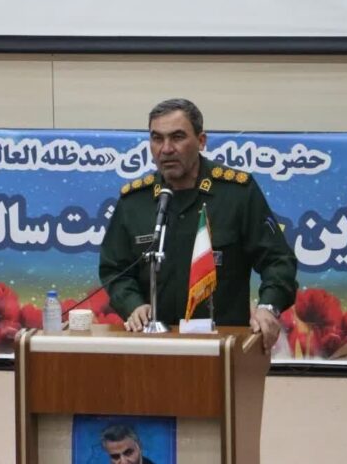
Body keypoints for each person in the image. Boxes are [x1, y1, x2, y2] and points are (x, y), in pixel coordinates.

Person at [98, 98, 298, 350]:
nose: (166, 149)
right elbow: (114, 269)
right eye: (157, 138)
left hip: (223, 345)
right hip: (151, 345)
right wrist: (133, 304)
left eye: (177, 137)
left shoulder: (236, 193)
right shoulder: (135, 201)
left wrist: (268, 307)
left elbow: (278, 260)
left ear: (201, 141)